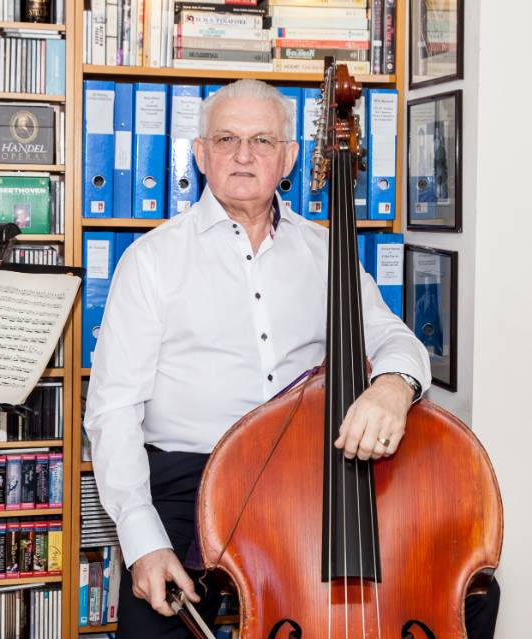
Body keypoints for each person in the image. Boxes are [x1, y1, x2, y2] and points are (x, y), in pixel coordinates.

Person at [84, 79, 499, 638]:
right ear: (201, 154)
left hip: (311, 471)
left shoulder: (326, 252)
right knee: (153, 622)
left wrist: (394, 387)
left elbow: (396, 340)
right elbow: (111, 411)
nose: (244, 155)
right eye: (226, 138)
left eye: (262, 140)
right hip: (193, 474)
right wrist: (143, 544)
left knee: (465, 594)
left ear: (289, 158)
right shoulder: (151, 260)